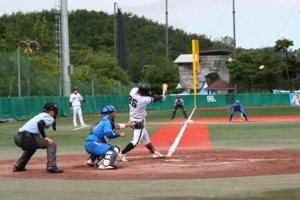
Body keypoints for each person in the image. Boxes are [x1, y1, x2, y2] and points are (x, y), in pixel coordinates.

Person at [118, 83, 166, 162]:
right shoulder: (143, 100)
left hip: (133, 118)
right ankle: (122, 153)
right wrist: (162, 97)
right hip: (138, 122)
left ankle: (154, 153)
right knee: (136, 141)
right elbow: (152, 98)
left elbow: (149, 95)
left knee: (146, 138)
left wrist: (158, 98)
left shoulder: (133, 90)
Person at [13, 102, 63, 174]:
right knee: (51, 144)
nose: (55, 113)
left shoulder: (40, 115)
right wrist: (45, 137)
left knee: (32, 147)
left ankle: (19, 166)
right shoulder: (49, 117)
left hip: (17, 137)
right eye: (55, 111)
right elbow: (40, 123)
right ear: (51, 111)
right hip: (26, 137)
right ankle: (51, 167)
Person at [85, 105, 131, 170]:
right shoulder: (107, 123)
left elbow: (116, 126)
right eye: (113, 112)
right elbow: (108, 134)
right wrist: (120, 134)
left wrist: (128, 125)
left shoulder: (105, 122)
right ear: (110, 114)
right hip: (93, 144)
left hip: (91, 143)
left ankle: (92, 160)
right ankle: (105, 165)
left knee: (105, 146)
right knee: (113, 150)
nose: (114, 114)